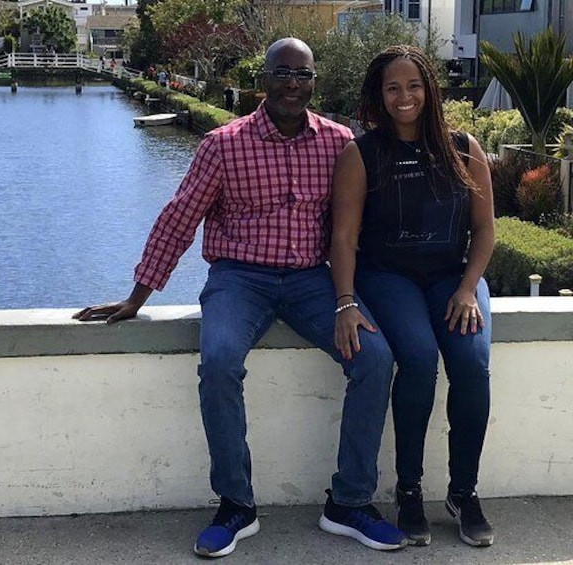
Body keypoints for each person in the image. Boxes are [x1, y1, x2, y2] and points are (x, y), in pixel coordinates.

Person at [74, 37, 406, 557]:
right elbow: (179, 219)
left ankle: (349, 502)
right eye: (283, 73)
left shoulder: (340, 142)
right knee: (220, 360)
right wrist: (138, 296)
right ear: (263, 79)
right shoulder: (223, 144)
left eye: (303, 75)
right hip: (239, 278)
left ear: (314, 82)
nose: (293, 85)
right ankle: (236, 504)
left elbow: (357, 226)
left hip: (311, 281)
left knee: (376, 358)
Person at [329, 45, 495, 548]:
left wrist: (468, 288)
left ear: (430, 89)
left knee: (470, 363)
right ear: (379, 95)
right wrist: (345, 301)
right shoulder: (362, 153)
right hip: (389, 277)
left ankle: (463, 492)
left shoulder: (464, 148)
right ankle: (409, 490)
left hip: (452, 277)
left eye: (414, 85)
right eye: (393, 87)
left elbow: (485, 231)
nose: (405, 96)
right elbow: (343, 238)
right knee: (419, 360)